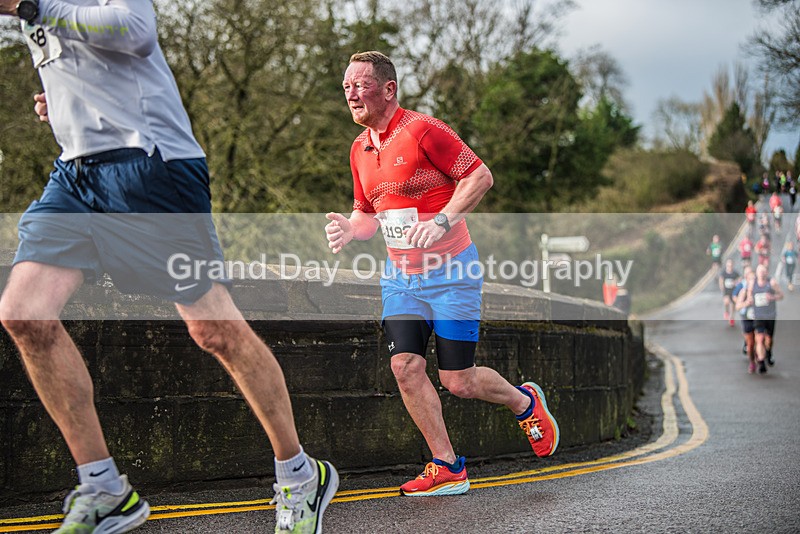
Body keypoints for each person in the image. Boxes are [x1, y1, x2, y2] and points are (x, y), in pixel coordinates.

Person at [0, 2, 337, 533]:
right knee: (24, 314)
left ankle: (300, 474)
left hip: (152, 167)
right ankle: (105, 488)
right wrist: (65, 102)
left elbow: (134, 32)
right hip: (75, 174)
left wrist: (30, 6)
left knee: (213, 331)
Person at [325, 51, 559, 496]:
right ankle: (447, 466)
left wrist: (442, 220)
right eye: (346, 88)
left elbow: (479, 177)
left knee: (459, 381)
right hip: (401, 278)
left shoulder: (423, 130)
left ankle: (524, 402)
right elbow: (367, 214)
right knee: (405, 365)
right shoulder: (359, 149)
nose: (351, 94)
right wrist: (350, 230)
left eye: (360, 85)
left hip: (451, 271)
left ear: (389, 89)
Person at [742, 264, 783, 374]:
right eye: (759, 271)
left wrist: (773, 297)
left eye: (763, 271)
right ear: (757, 273)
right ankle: (761, 362)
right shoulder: (752, 283)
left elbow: (781, 295)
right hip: (758, 316)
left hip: (770, 315)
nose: (761, 273)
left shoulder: (772, 283)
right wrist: (750, 299)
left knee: (768, 339)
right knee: (759, 339)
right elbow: (749, 293)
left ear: (766, 273)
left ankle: (769, 352)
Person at [733, 266, 755, 372]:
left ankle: (761, 357)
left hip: (758, 316)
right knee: (749, 340)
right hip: (745, 315)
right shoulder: (742, 286)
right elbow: (735, 297)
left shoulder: (758, 286)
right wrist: (744, 302)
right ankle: (751, 357)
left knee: (759, 338)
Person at [719, 259, 740, 327]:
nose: (730, 267)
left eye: (731, 265)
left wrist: (736, 282)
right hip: (726, 291)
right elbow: (721, 280)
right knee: (726, 302)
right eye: (728, 265)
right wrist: (722, 288)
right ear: (726, 266)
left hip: (733, 291)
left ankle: (732, 318)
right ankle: (726, 311)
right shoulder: (724, 273)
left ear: (733, 266)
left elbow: (739, 279)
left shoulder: (735, 273)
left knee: (733, 305)